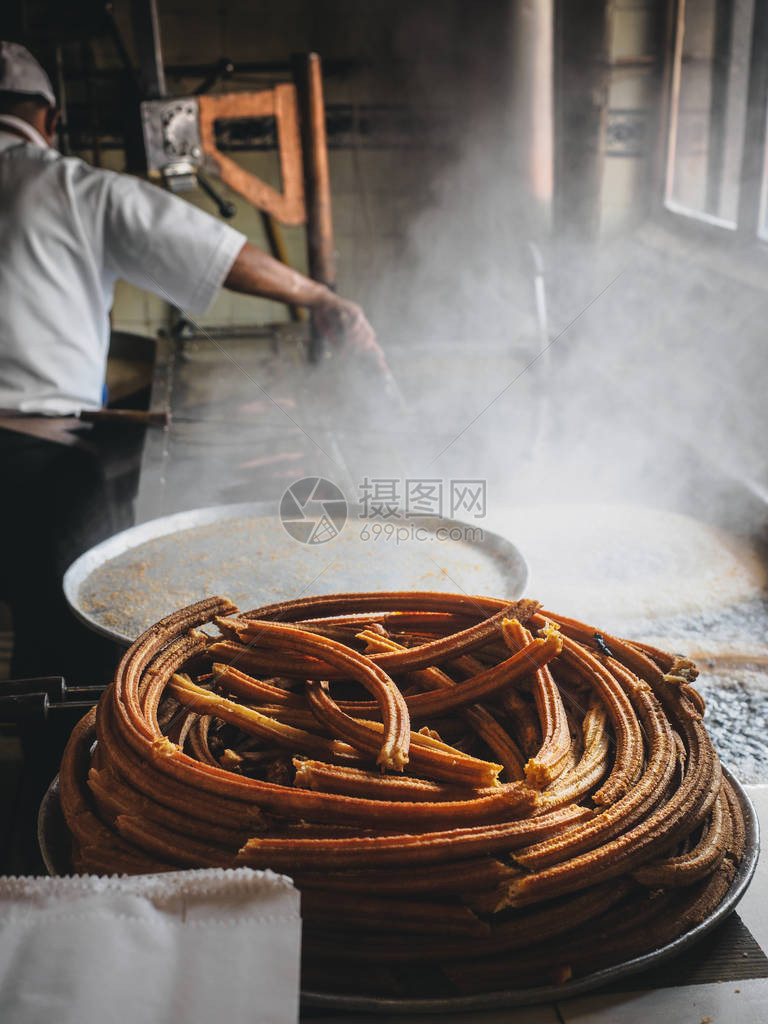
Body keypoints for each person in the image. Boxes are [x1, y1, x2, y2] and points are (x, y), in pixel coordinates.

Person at [0, 41, 379, 682]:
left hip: (44, 441)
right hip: (34, 466)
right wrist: (320, 298)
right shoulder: (68, 187)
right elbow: (215, 254)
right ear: (49, 120)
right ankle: (54, 778)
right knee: (64, 664)